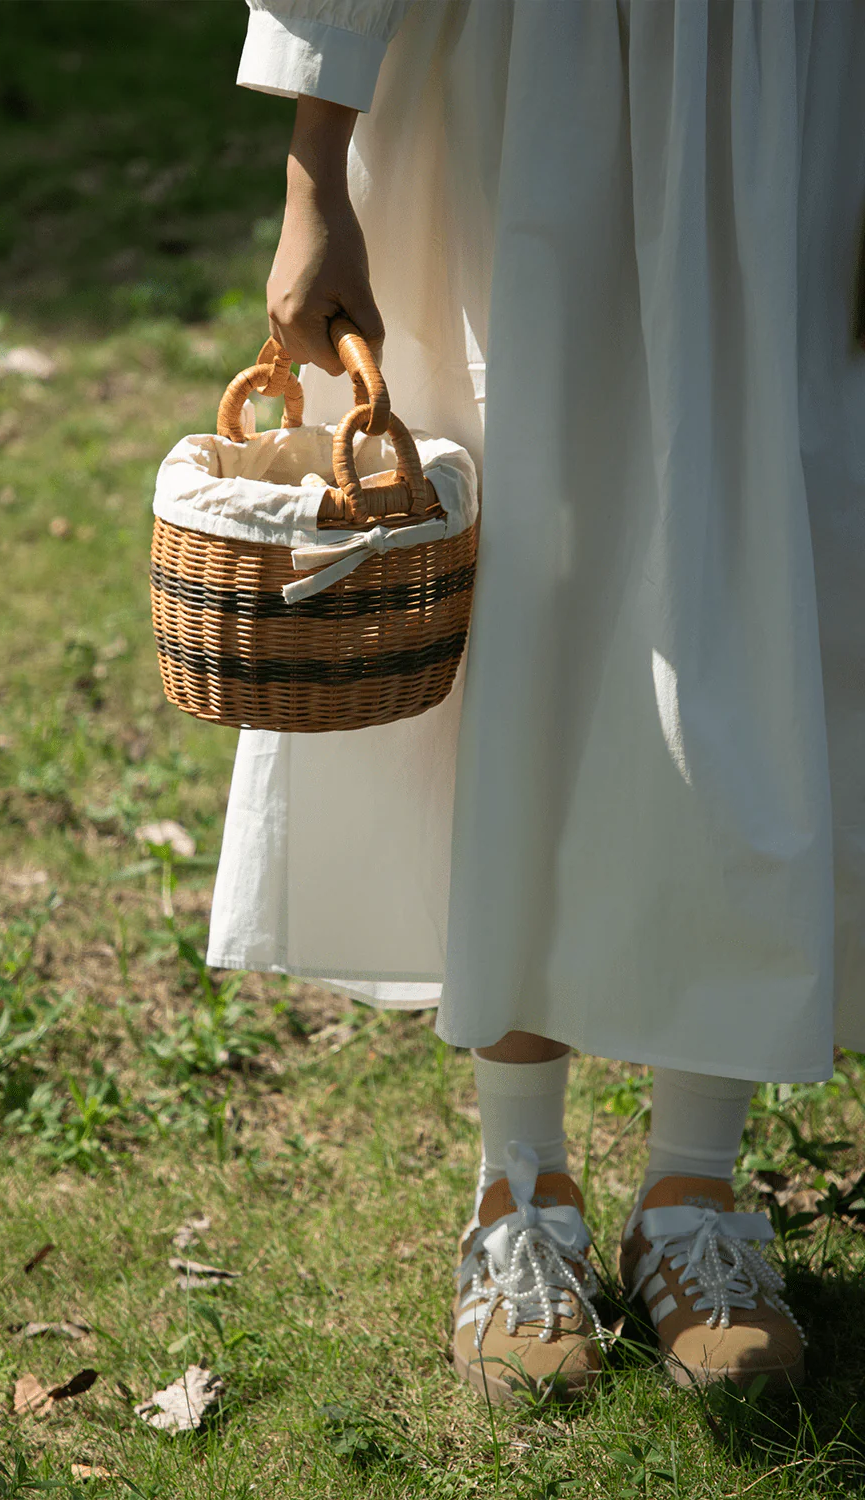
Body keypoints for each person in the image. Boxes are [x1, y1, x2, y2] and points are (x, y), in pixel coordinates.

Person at [206, 0, 865, 1399]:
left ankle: (695, 1189)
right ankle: (520, 1184)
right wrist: (314, 168)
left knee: (759, 573)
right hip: (517, 74)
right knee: (520, 578)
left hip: (792, 76)